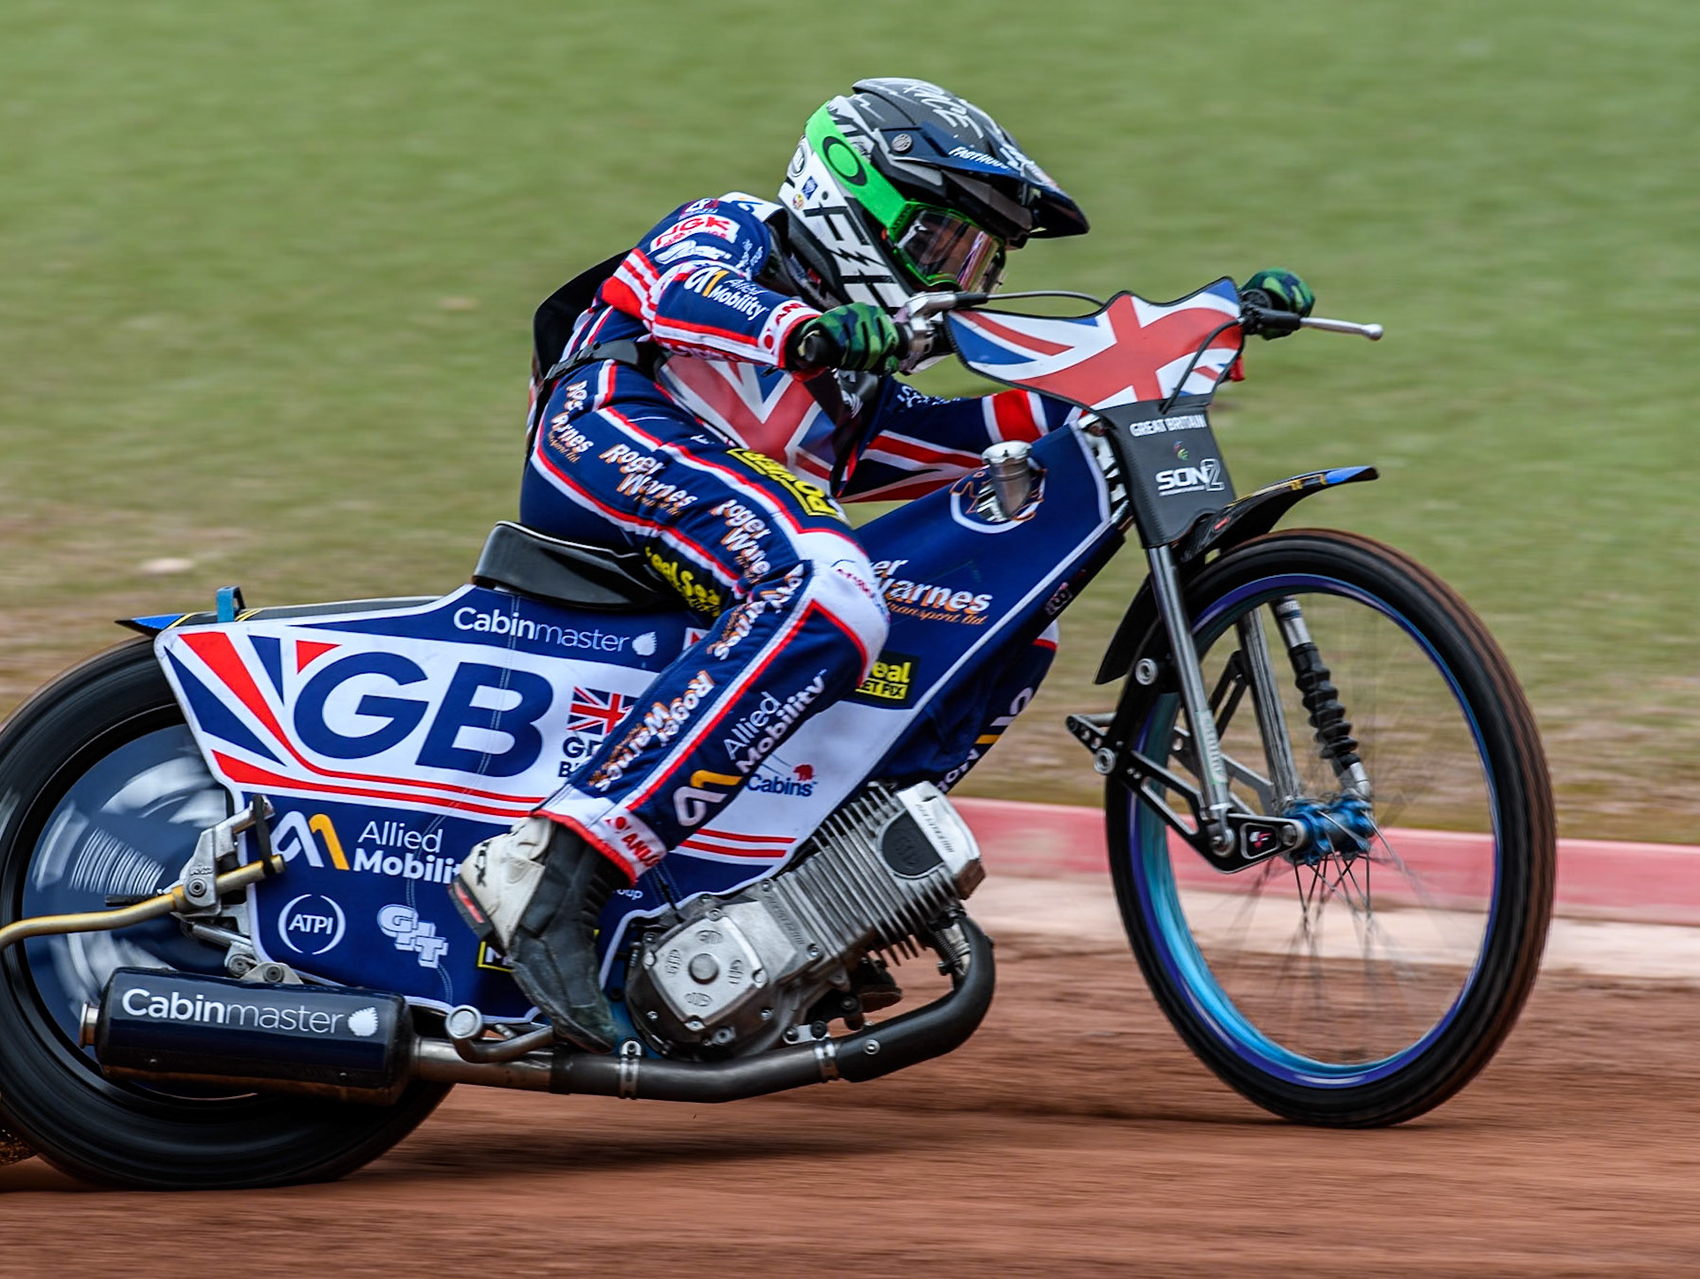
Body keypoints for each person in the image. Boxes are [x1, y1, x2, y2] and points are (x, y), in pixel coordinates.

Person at [452, 77, 1315, 1050]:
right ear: (846, 196)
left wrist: (1182, 351)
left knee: (999, 613)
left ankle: (807, 894)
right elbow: (681, 292)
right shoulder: (734, 227)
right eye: (942, 243)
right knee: (827, 584)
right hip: (606, 433)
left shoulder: (858, 384)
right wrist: (800, 330)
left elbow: (992, 423)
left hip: (730, 502)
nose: (960, 278)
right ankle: (558, 863)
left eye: (980, 259)